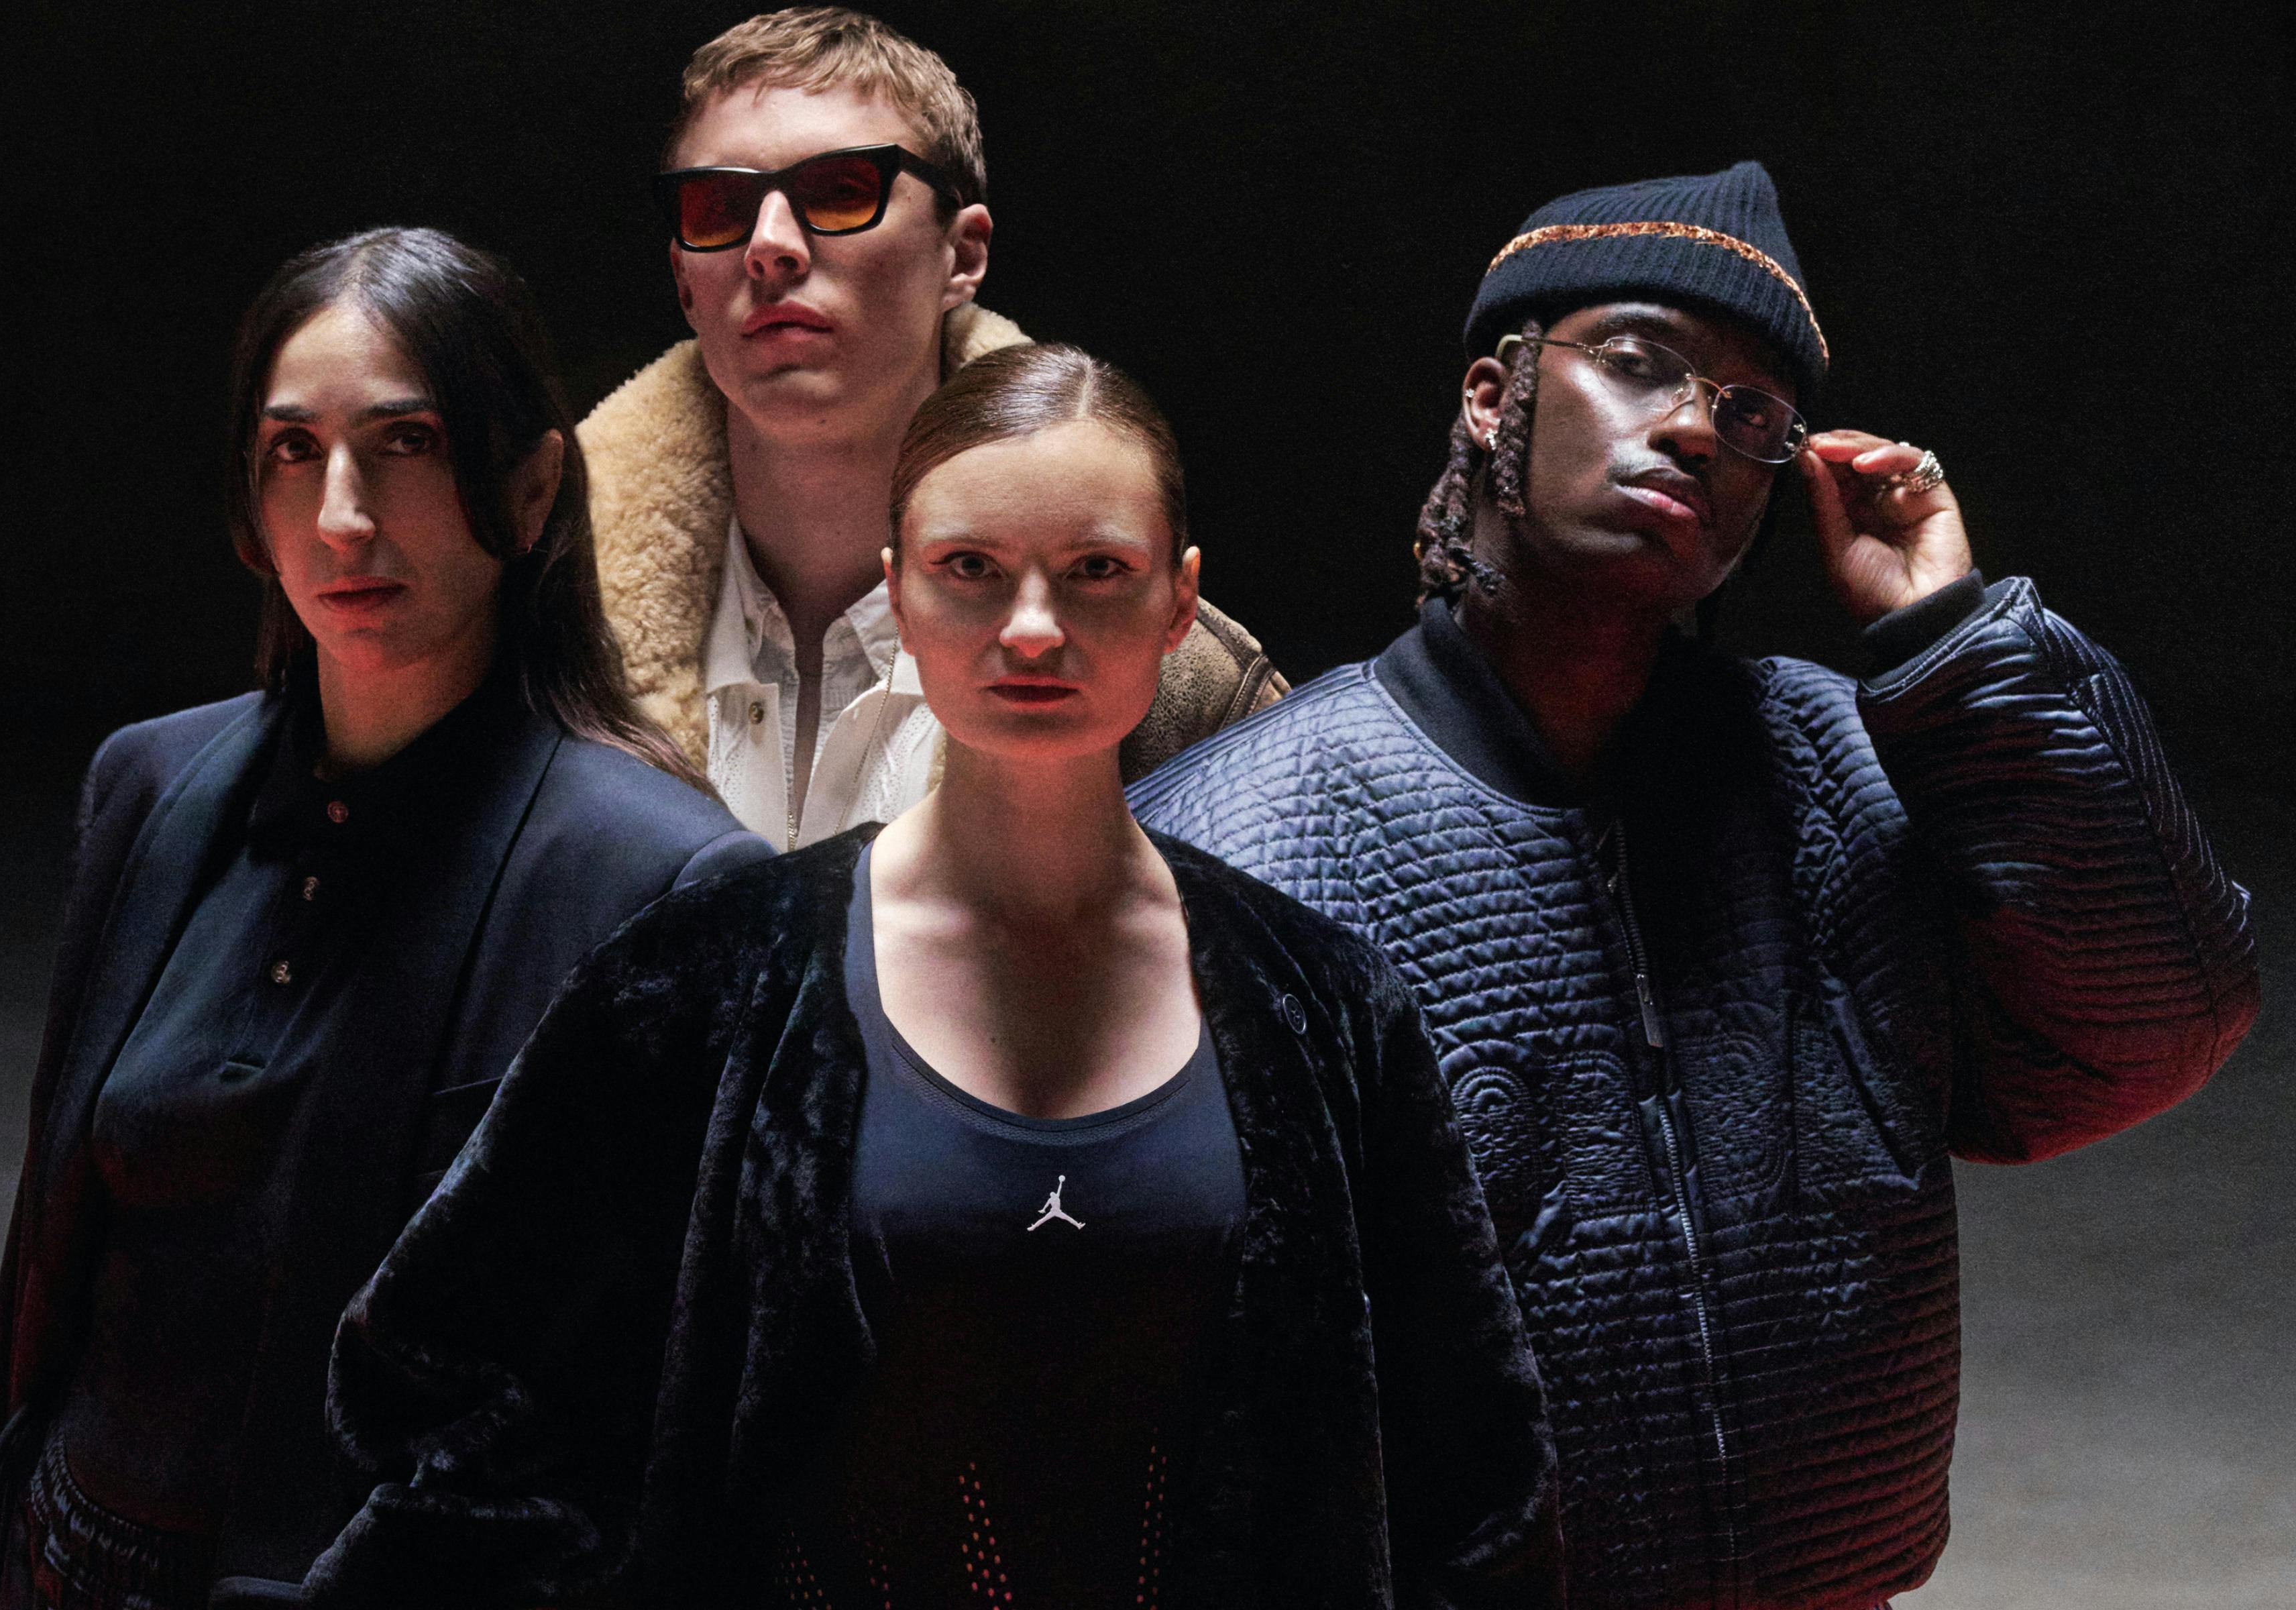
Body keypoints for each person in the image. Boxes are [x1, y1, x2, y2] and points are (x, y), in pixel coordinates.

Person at [1128, 163, 2260, 1609]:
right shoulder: (1245, 836)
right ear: (1492, 395)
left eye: (1751, 415)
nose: (1688, 428)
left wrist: (1955, 646)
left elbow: (2150, 1030)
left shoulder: (1838, 771)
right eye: (1635, 361)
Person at [300, 345, 1564, 1610]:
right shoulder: (703, 981)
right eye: (971, 569)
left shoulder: (1327, 1006)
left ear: (1180, 604)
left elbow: (1479, 1493)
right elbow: (443, 1382)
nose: (1033, 627)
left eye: (1096, 570)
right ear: (897, 596)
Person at [0, 227, 767, 1610]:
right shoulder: (151, 785)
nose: (343, 517)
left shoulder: (660, 881)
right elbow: (45, 1282)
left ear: (532, 485)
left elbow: (640, 1422)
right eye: (294, 452)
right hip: (54, 1562)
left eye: (407, 444)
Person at [578, 6, 1285, 851]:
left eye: (840, 191)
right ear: (683, 279)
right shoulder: (534, 631)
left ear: (964, 253)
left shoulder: (1184, 685)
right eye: (719, 205)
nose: (768, 246)